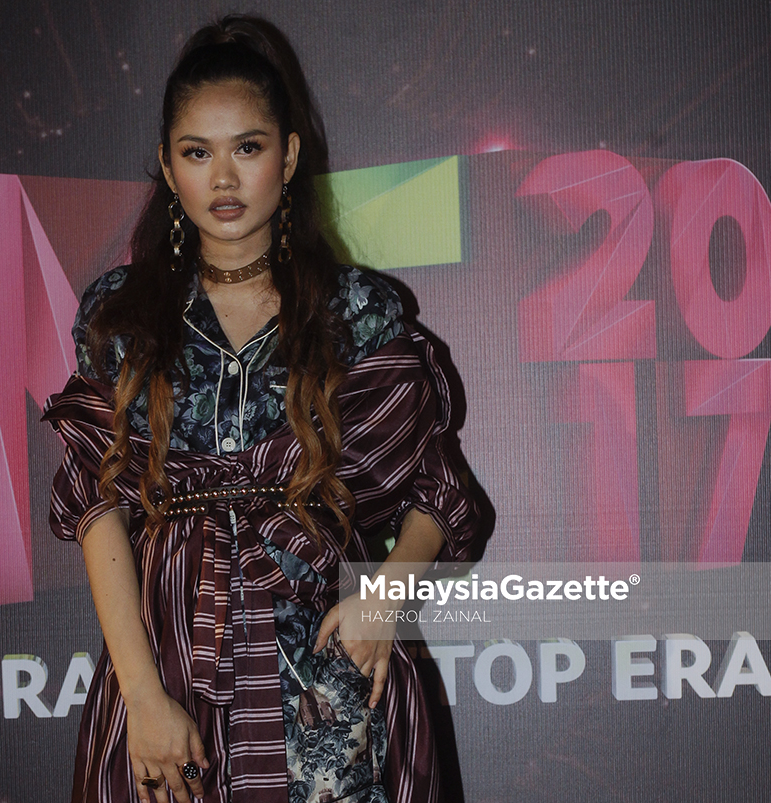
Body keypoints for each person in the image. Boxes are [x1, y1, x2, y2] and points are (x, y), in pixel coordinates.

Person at [44, 15, 477, 803]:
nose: (224, 179)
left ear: (290, 155)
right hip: (174, 667)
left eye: (247, 147)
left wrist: (384, 596)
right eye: (196, 152)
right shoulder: (121, 317)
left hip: (330, 683)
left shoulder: (358, 311)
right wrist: (140, 694)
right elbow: (93, 500)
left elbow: (439, 487)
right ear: (169, 169)